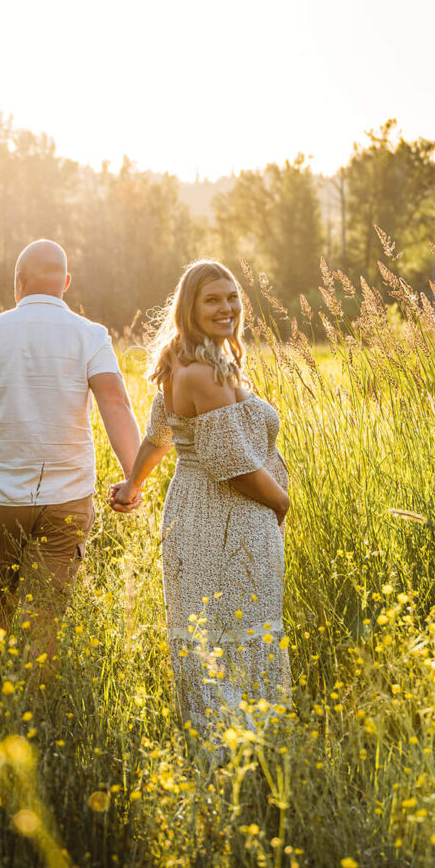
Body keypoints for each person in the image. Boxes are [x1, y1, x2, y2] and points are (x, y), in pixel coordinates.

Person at [0, 239, 143, 666]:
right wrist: (133, 478)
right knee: (44, 620)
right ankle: (37, 699)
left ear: (17, 282)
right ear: (66, 282)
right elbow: (116, 405)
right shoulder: (91, 335)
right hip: (67, 502)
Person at [111, 260, 292, 749]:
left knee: (217, 630)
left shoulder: (190, 363)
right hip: (224, 517)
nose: (226, 307)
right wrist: (281, 502)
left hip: (200, 513)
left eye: (232, 297)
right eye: (212, 299)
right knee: (231, 630)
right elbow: (231, 464)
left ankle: (229, 750)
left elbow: (159, 437)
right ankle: (239, 753)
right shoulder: (203, 373)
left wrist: (131, 486)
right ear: (188, 308)